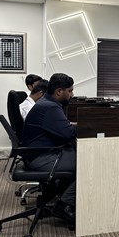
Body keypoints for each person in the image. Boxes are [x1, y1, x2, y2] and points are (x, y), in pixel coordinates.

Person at [21, 73, 77, 223]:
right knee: (88, 163)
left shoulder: (46, 102)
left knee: (77, 154)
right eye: (70, 91)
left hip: (36, 154)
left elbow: (61, 128)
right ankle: (64, 205)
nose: (72, 95)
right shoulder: (50, 107)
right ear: (59, 91)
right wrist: (87, 126)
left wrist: (72, 125)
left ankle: (57, 196)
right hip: (40, 158)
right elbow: (68, 134)